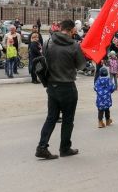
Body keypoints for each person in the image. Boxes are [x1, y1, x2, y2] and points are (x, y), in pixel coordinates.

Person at [35, 19, 85, 160]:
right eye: (74, 30)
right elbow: (81, 65)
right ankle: (64, 148)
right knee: (68, 119)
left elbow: (43, 61)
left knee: (51, 118)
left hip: (52, 86)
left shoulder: (48, 42)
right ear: (70, 30)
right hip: (68, 86)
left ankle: (42, 147)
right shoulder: (74, 45)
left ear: (60, 28)